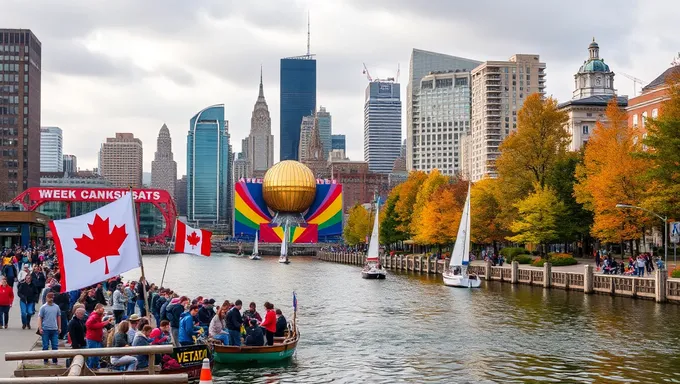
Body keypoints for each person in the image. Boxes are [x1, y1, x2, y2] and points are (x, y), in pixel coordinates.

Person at [85, 303, 113, 369]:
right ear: (98, 309)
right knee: (93, 355)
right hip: (92, 338)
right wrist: (102, 324)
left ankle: (95, 367)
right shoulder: (94, 316)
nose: (103, 311)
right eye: (102, 309)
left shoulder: (96, 316)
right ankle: (91, 368)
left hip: (96, 338)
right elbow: (88, 324)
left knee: (96, 355)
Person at [38, 292, 61, 364]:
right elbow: (40, 318)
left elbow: (58, 317)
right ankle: (45, 360)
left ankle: (55, 360)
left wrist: (59, 327)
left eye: (52, 298)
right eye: (49, 298)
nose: (51, 299)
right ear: (46, 298)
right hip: (45, 329)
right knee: (45, 345)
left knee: (55, 346)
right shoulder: (43, 307)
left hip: (54, 329)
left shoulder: (56, 307)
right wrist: (40, 328)